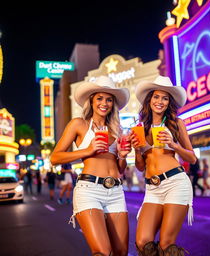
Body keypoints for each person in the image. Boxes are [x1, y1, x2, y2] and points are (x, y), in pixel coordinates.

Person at [50, 76, 131, 256]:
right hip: (89, 190)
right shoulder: (79, 124)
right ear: (92, 101)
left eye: (109, 99)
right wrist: (87, 150)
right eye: (100, 98)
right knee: (102, 251)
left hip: (116, 191)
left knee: (121, 251)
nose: (104, 103)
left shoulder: (117, 130)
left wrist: (123, 156)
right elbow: (55, 158)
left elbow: (119, 169)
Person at [130, 75, 197, 255]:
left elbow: (192, 158)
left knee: (167, 244)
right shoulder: (140, 128)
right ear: (149, 100)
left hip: (175, 182)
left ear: (169, 103)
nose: (160, 101)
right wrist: (137, 150)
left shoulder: (176, 124)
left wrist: (174, 144)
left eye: (165, 98)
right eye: (156, 97)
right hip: (152, 188)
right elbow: (141, 167)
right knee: (143, 242)